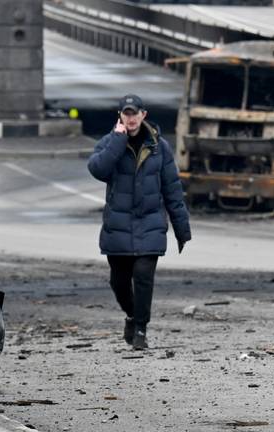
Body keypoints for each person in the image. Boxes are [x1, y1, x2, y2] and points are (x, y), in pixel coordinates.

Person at [87, 94, 191, 350]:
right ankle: (132, 316)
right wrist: (118, 140)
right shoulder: (110, 142)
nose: (131, 118)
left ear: (143, 115)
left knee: (143, 276)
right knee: (118, 282)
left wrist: (182, 229)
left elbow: (172, 189)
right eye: (126, 113)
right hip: (118, 226)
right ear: (120, 116)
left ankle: (141, 329)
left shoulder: (159, 146)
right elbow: (98, 169)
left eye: (135, 113)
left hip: (150, 224)